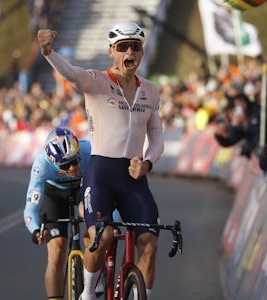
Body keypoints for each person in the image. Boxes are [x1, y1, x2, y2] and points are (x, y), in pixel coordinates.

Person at [37, 20, 164, 300]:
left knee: (150, 242)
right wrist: (48, 51)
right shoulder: (97, 81)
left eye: (135, 46)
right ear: (112, 51)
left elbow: (156, 138)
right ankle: (88, 294)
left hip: (134, 178)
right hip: (101, 175)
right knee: (102, 237)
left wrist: (147, 164)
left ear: (141, 52)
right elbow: (70, 73)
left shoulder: (151, 90)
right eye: (123, 47)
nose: (129, 52)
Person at [23, 127, 91, 300]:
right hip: (54, 194)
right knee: (57, 252)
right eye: (65, 165)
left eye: (75, 161)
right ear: (53, 162)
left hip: (82, 189)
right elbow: (31, 207)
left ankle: (95, 274)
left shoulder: (88, 150)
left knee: (90, 219)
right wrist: (36, 230)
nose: (73, 168)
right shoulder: (41, 164)